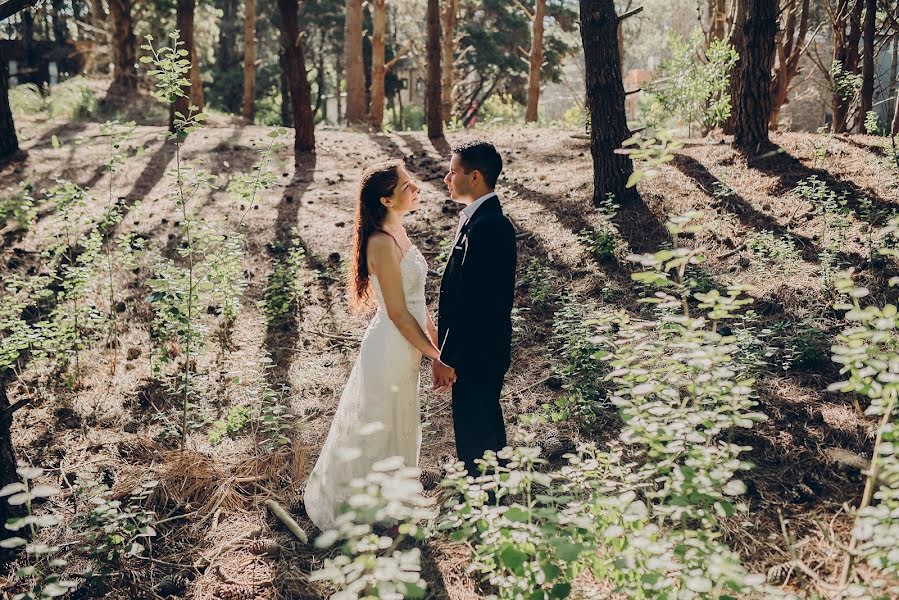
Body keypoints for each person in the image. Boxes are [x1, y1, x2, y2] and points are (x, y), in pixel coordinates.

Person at [303, 160, 451, 531]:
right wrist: (434, 355)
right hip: (390, 344)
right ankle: (360, 506)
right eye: (406, 185)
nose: (416, 187)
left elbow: (418, 302)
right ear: (386, 200)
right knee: (378, 424)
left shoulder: (399, 231)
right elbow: (400, 313)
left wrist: (438, 350)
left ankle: (393, 498)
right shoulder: (380, 243)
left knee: (401, 421)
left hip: (408, 345)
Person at [433, 140, 517, 477]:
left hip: (478, 353)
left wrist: (448, 356)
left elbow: (476, 303)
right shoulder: (476, 220)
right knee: (479, 433)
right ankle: (493, 503)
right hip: (475, 351)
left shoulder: (491, 227)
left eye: (453, 171)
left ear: (475, 176)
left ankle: (488, 508)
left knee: (477, 436)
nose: (446, 178)